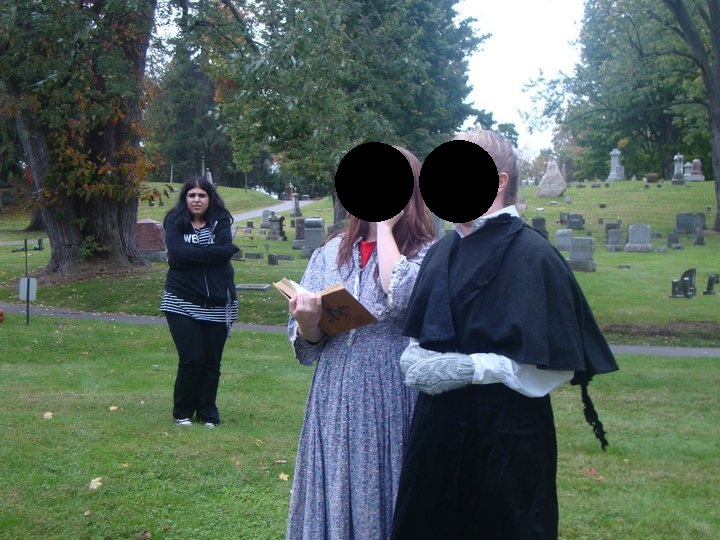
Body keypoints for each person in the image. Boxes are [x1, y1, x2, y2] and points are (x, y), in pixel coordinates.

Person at [390, 129, 619, 539]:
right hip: (434, 436)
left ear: (498, 182)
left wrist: (477, 368)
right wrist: (416, 355)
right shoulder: (440, 252)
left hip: (506, 441)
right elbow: (422, 333)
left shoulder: (534, 256)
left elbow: (554, 365)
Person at [285, 146, 435, 539]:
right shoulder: (331, 253)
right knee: (331, 483)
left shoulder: (427, 253)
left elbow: (403, 297)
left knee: (383, 487)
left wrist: (385, 228)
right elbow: (310, 343)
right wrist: (307, 321)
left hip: (390, 393)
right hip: (333, 393)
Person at [160, 175, 239, 428]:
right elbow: (178, 252)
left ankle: (208, 413)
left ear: (210, 198)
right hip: (180, 300)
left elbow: (222, 251)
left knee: (211, 362)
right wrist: (216, 252)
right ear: (185, 198)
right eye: (192, 195)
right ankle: (182, 412)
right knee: (192, 357)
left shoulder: (221, 220)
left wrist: (193, 255)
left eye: (202, 195)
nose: (197, 199)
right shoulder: (175, 220)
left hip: (219, 302)